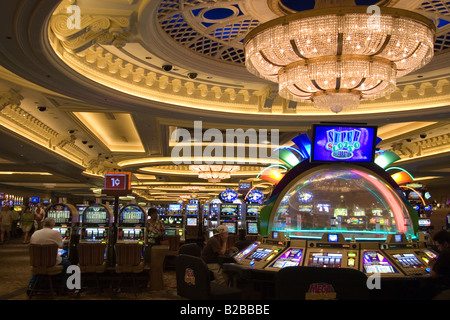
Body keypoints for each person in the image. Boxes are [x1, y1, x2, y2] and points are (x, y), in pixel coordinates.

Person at [28, 217, 72, 292]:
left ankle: (31, 285)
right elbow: (61, 246)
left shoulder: (35, 233)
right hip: (51, 261)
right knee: (68, 264)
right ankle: (63, 287)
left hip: (36, 261)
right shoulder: (56, 233)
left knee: (39, 266)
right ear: (52, 224)